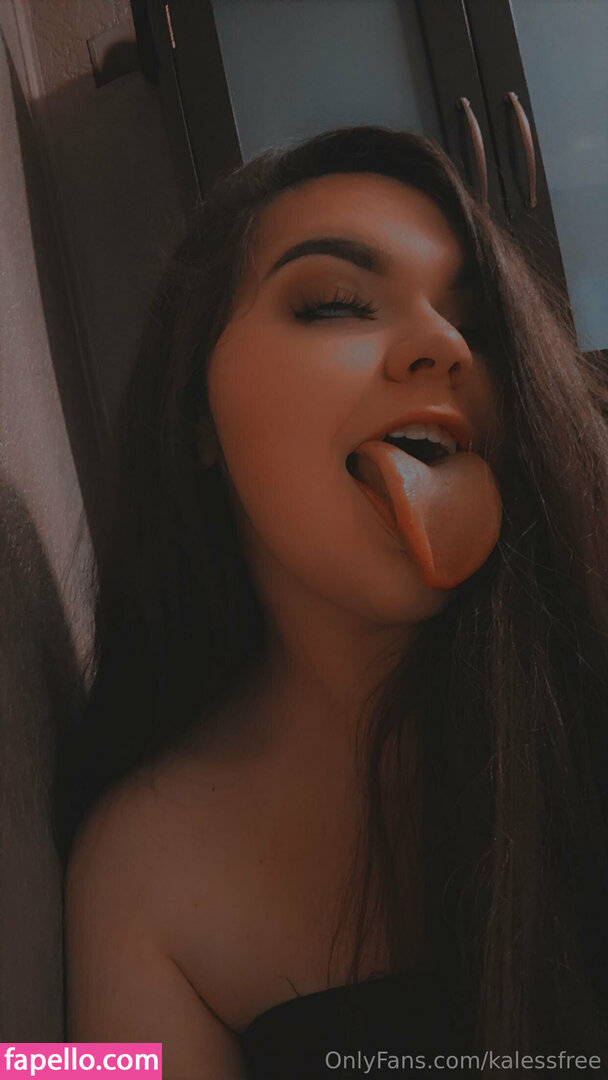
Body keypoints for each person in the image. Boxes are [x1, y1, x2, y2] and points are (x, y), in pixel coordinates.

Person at [55, 127, 608, 1078]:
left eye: (476, 325)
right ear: (196, 413)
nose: (445, 346)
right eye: (338, 304)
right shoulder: (137, 872)